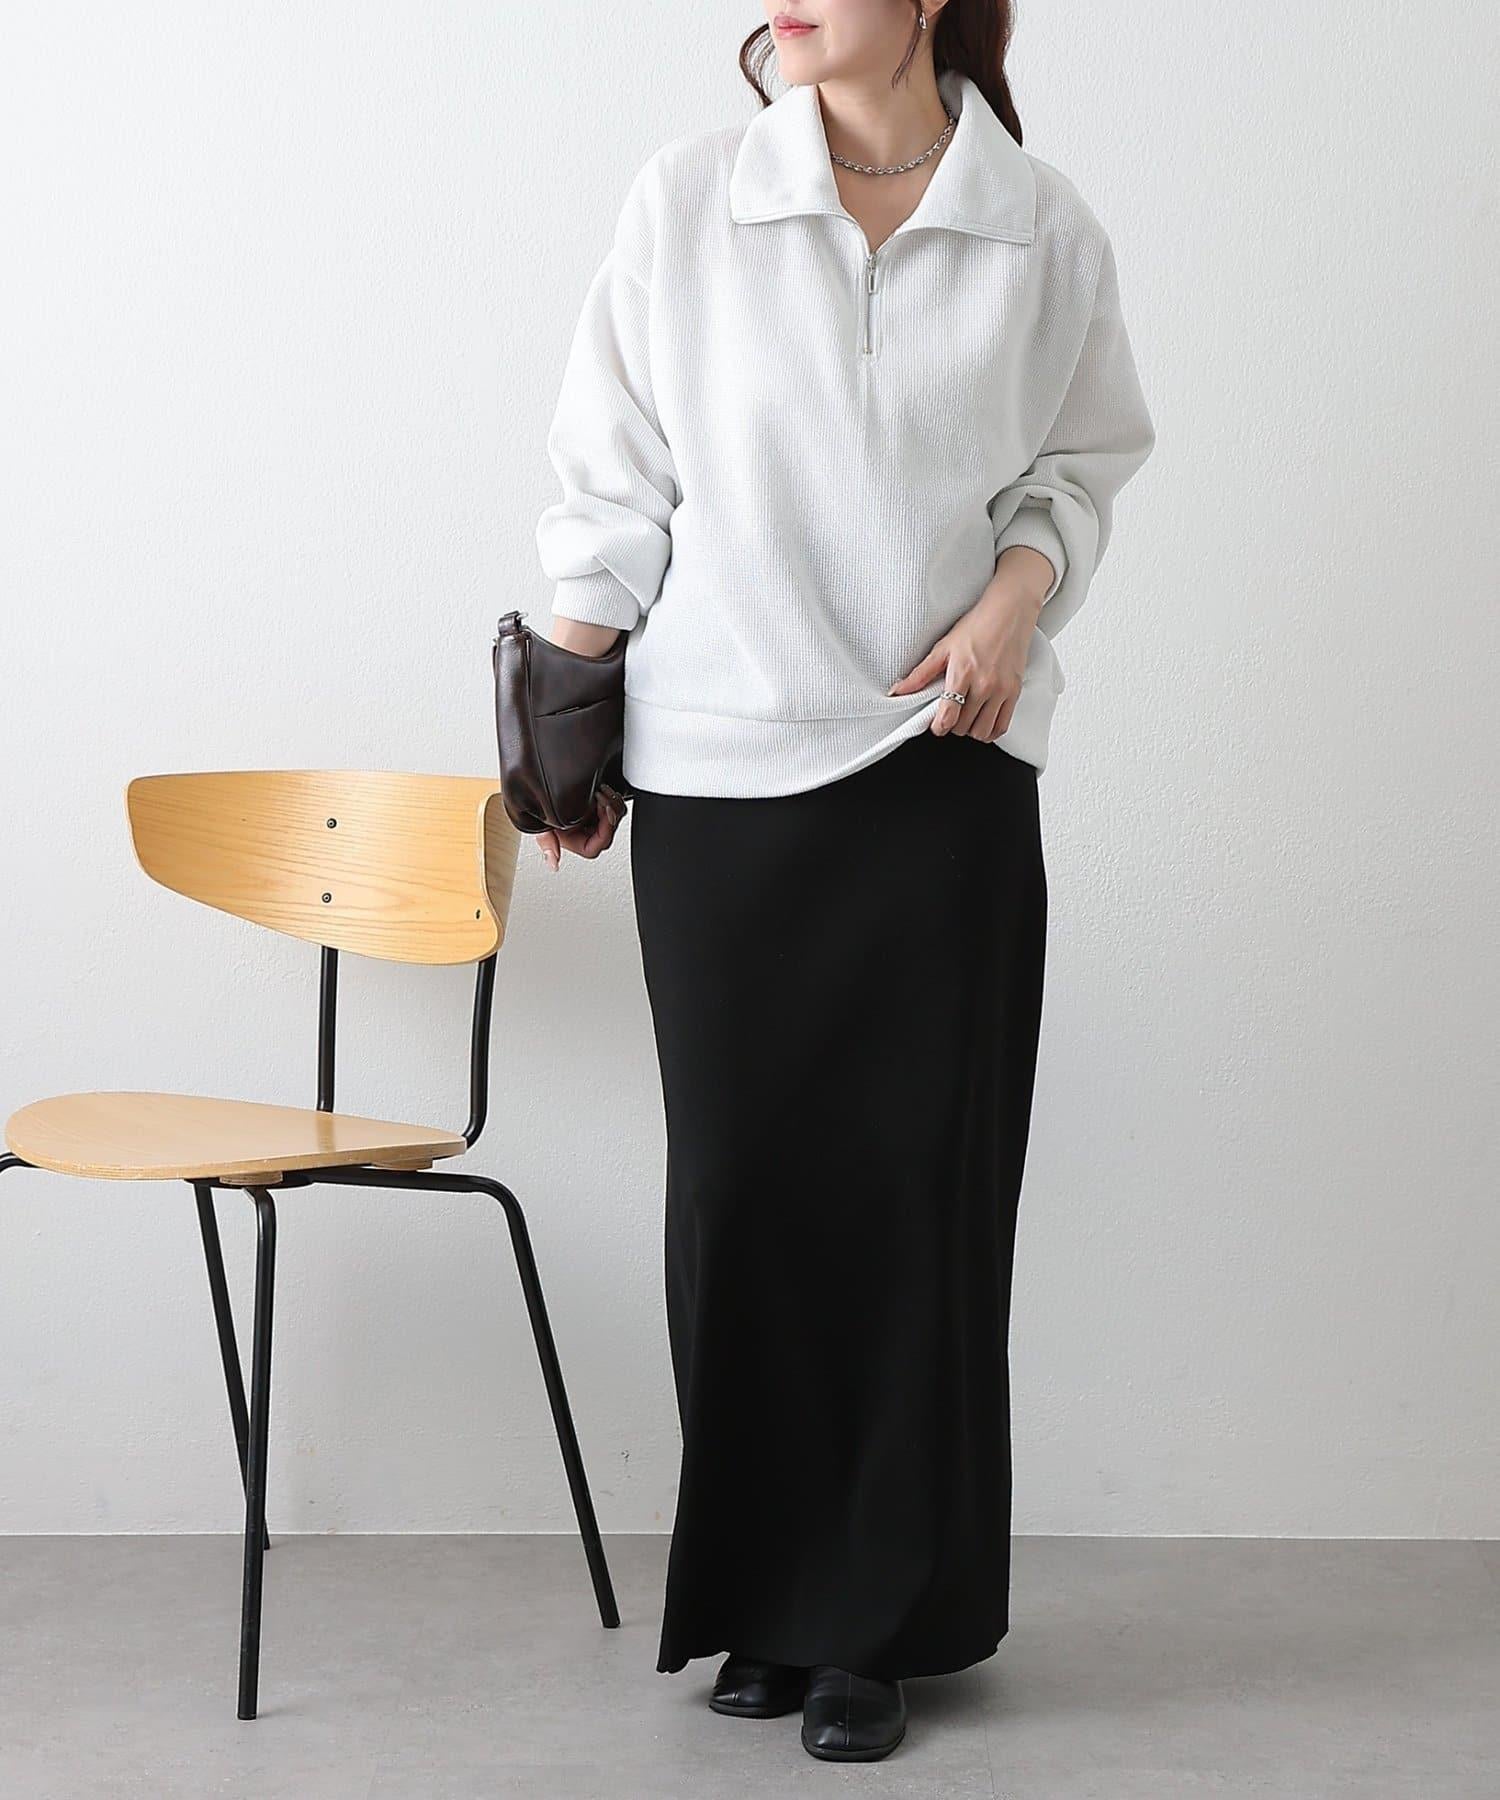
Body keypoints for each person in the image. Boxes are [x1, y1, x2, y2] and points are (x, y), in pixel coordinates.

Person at [531, 0, 1155, 1767]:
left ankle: (875, 1622)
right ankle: (765, 1599)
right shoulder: (691, 200)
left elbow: (1083, 470)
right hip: (722, 771)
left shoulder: (1039, 227)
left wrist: (1015, 605)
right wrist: (565, 724)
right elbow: (612, 479)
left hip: (941, 767)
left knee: (912, 1204)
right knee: (743, 1200)